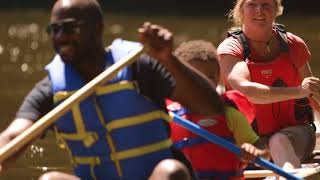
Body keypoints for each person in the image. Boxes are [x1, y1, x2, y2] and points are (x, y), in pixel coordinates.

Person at [0, 0, 221, 179]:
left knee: (171, 171)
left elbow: (211, 108)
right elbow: (13, 135)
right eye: (54, 29)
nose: (60, 37)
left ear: (97, 29)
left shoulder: (138, 67)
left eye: (69, 28)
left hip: (153, 177)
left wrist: (168, 59)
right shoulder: (51, 88)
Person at [217, 0, 320, 171]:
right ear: (241, 10)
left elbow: (313, 96)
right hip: (250, 141)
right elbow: (245, 92)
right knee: (273, 142)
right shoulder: (231, 48)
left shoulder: (294, 44)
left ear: (277, 10)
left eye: (266, 4)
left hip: (297, 134)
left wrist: (307, 92)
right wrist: (297, 91)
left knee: (279, 140)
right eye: (252, 5)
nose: (259, 10)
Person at [166, 40, 270, 180]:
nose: (206, 83)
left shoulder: (230, 116)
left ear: (219, 77)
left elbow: (265, 155)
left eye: (211, 77)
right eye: (196, 76)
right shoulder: (169, 117)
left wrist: (255, 152)